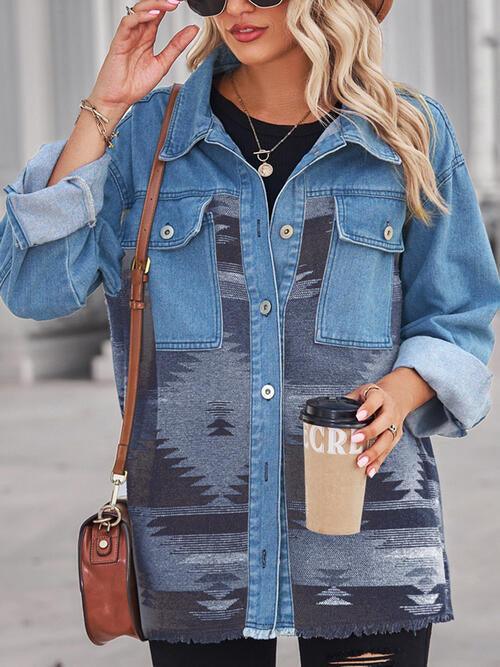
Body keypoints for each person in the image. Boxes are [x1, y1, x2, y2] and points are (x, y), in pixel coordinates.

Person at [1, 1, 499, 666]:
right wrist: (104, 108)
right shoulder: (148, 138)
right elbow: (35, 287)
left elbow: (460, 312)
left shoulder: (406, 133)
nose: (234, 6)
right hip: (195, 550)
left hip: (366, 538)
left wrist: (405, 390)